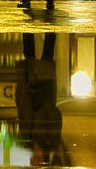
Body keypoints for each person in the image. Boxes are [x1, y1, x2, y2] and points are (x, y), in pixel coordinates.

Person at [15, 32, 62, 166]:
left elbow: (22, 115)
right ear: (41, 161)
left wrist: (20, 93)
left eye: (32, 163)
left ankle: (27, 24)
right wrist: (42, 109)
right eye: (34, 163)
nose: (31, 161)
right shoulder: (51, 141)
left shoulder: (27, 142)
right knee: (47, 55)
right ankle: (50, 23)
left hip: (29, 92)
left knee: (29, 55)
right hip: (43, 92)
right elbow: (56, 115)